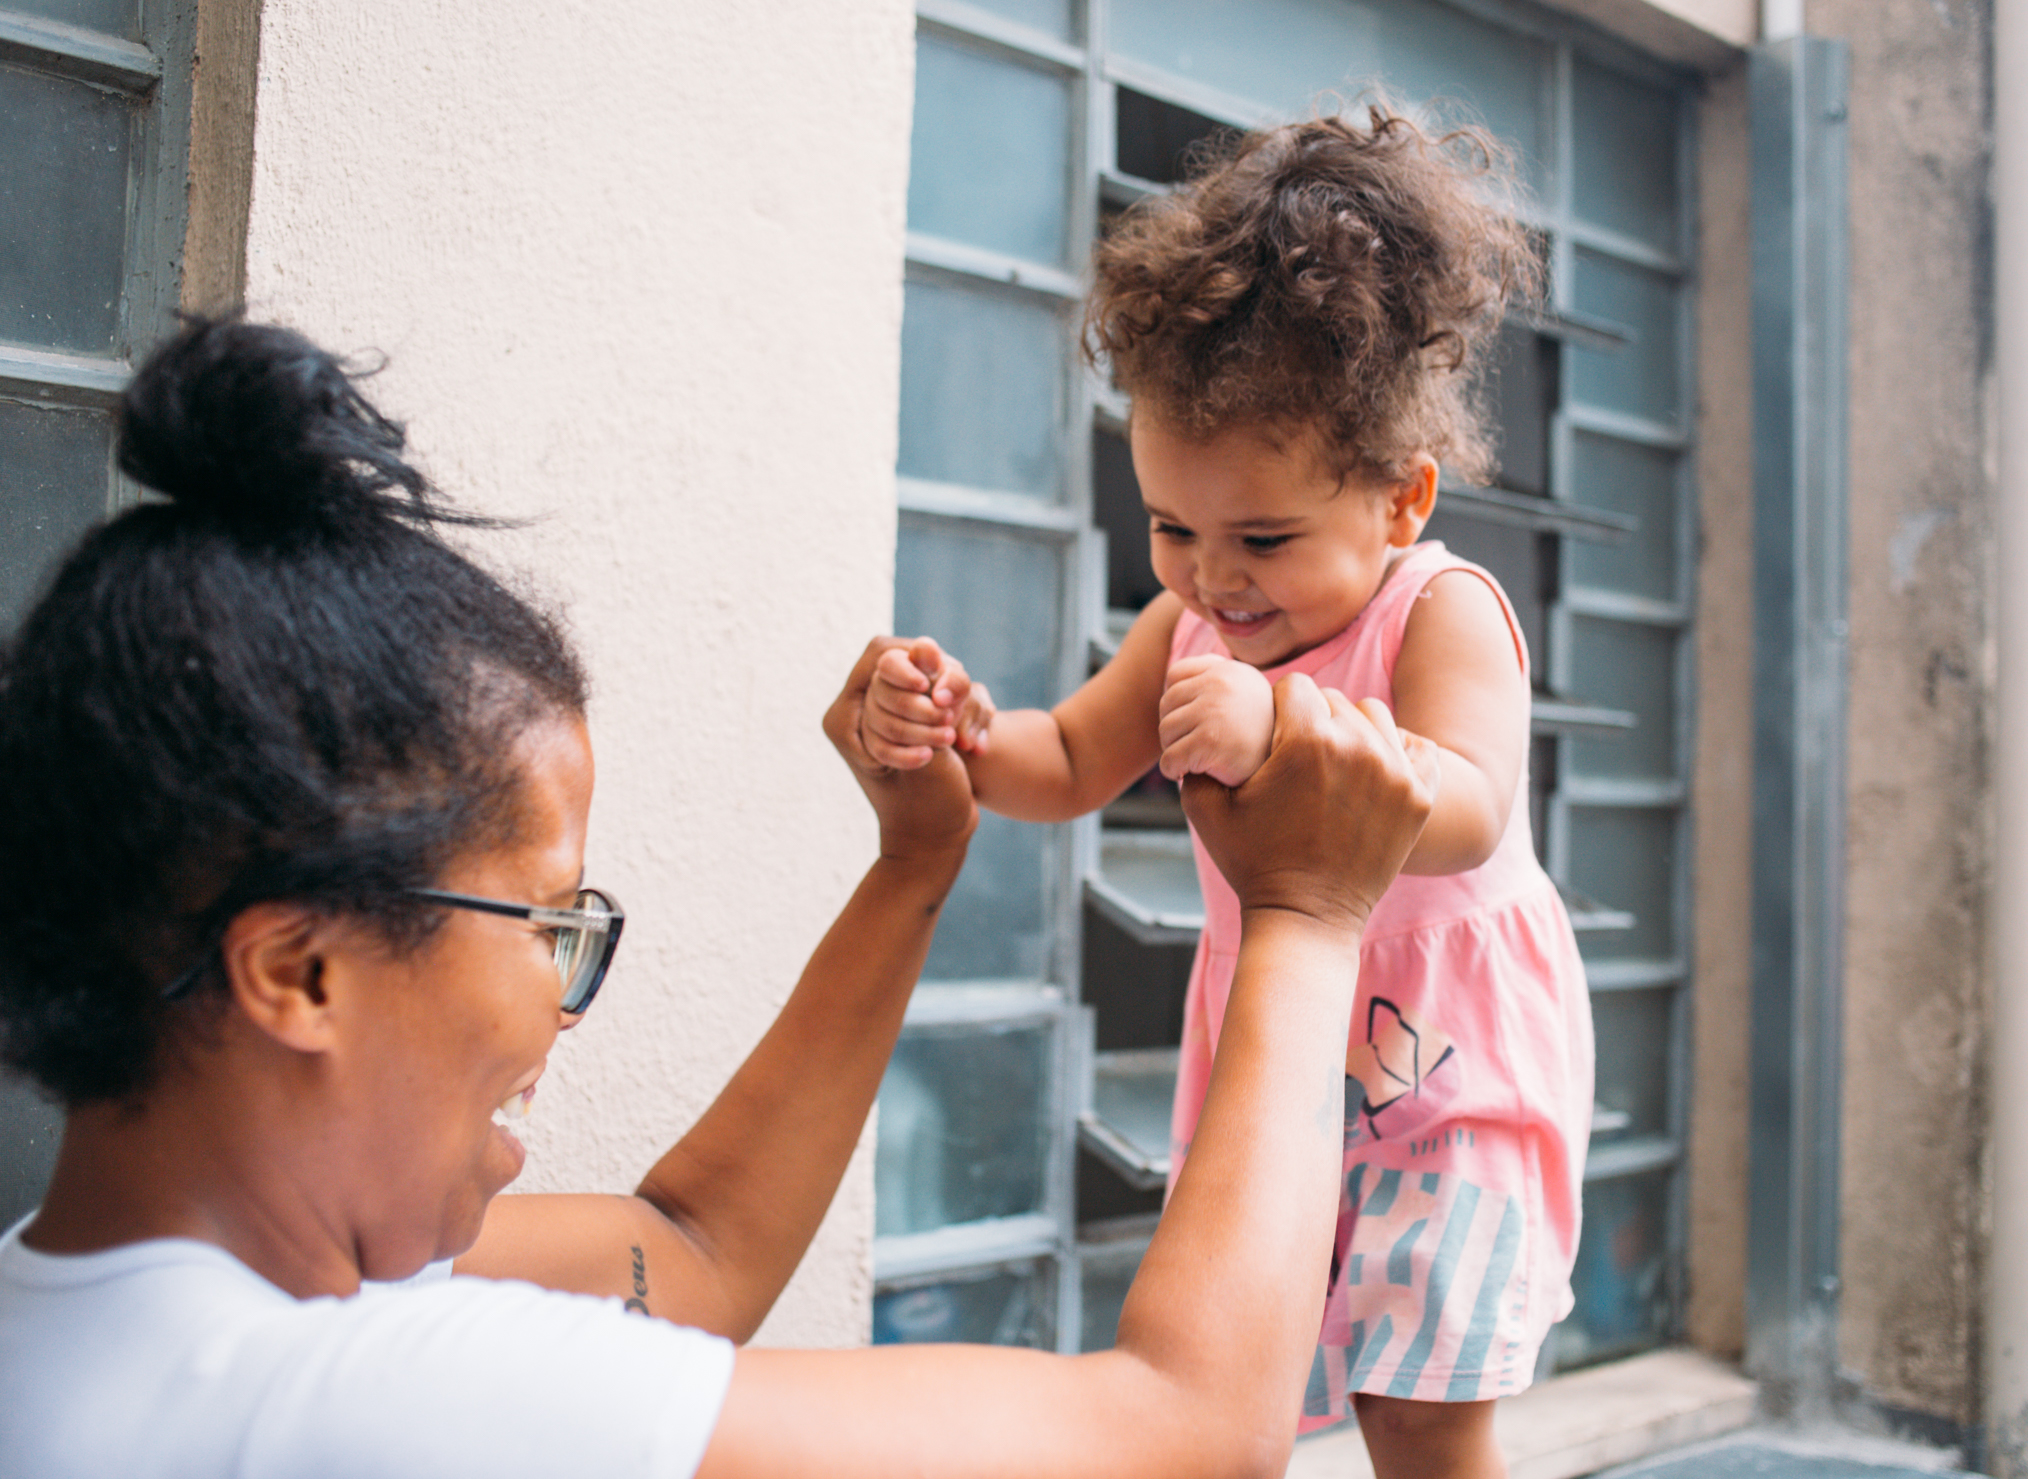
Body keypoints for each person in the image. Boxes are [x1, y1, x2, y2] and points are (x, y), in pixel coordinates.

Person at [0, 316, 1434, 1479]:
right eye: (549, 925)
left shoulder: (116, 1315)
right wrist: (1308, 916)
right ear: (300, 972)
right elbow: (1188, 1439)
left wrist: (913, 867)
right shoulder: (358, 1407)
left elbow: (692, 1253)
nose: (562, 1008)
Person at [858, 108, 1595, 1479]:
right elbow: (1066, 763)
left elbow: (1469, 807)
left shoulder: (1443, 614)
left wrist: (1284, 727)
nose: (1211, 578)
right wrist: (959, 729)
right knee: (1233, 1385)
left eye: (1262, 537)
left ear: (1401, 499)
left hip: (1453, 1070)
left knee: (1421, 1409)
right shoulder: (1187, 628)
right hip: (1284, 1062)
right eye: (1171, 529)